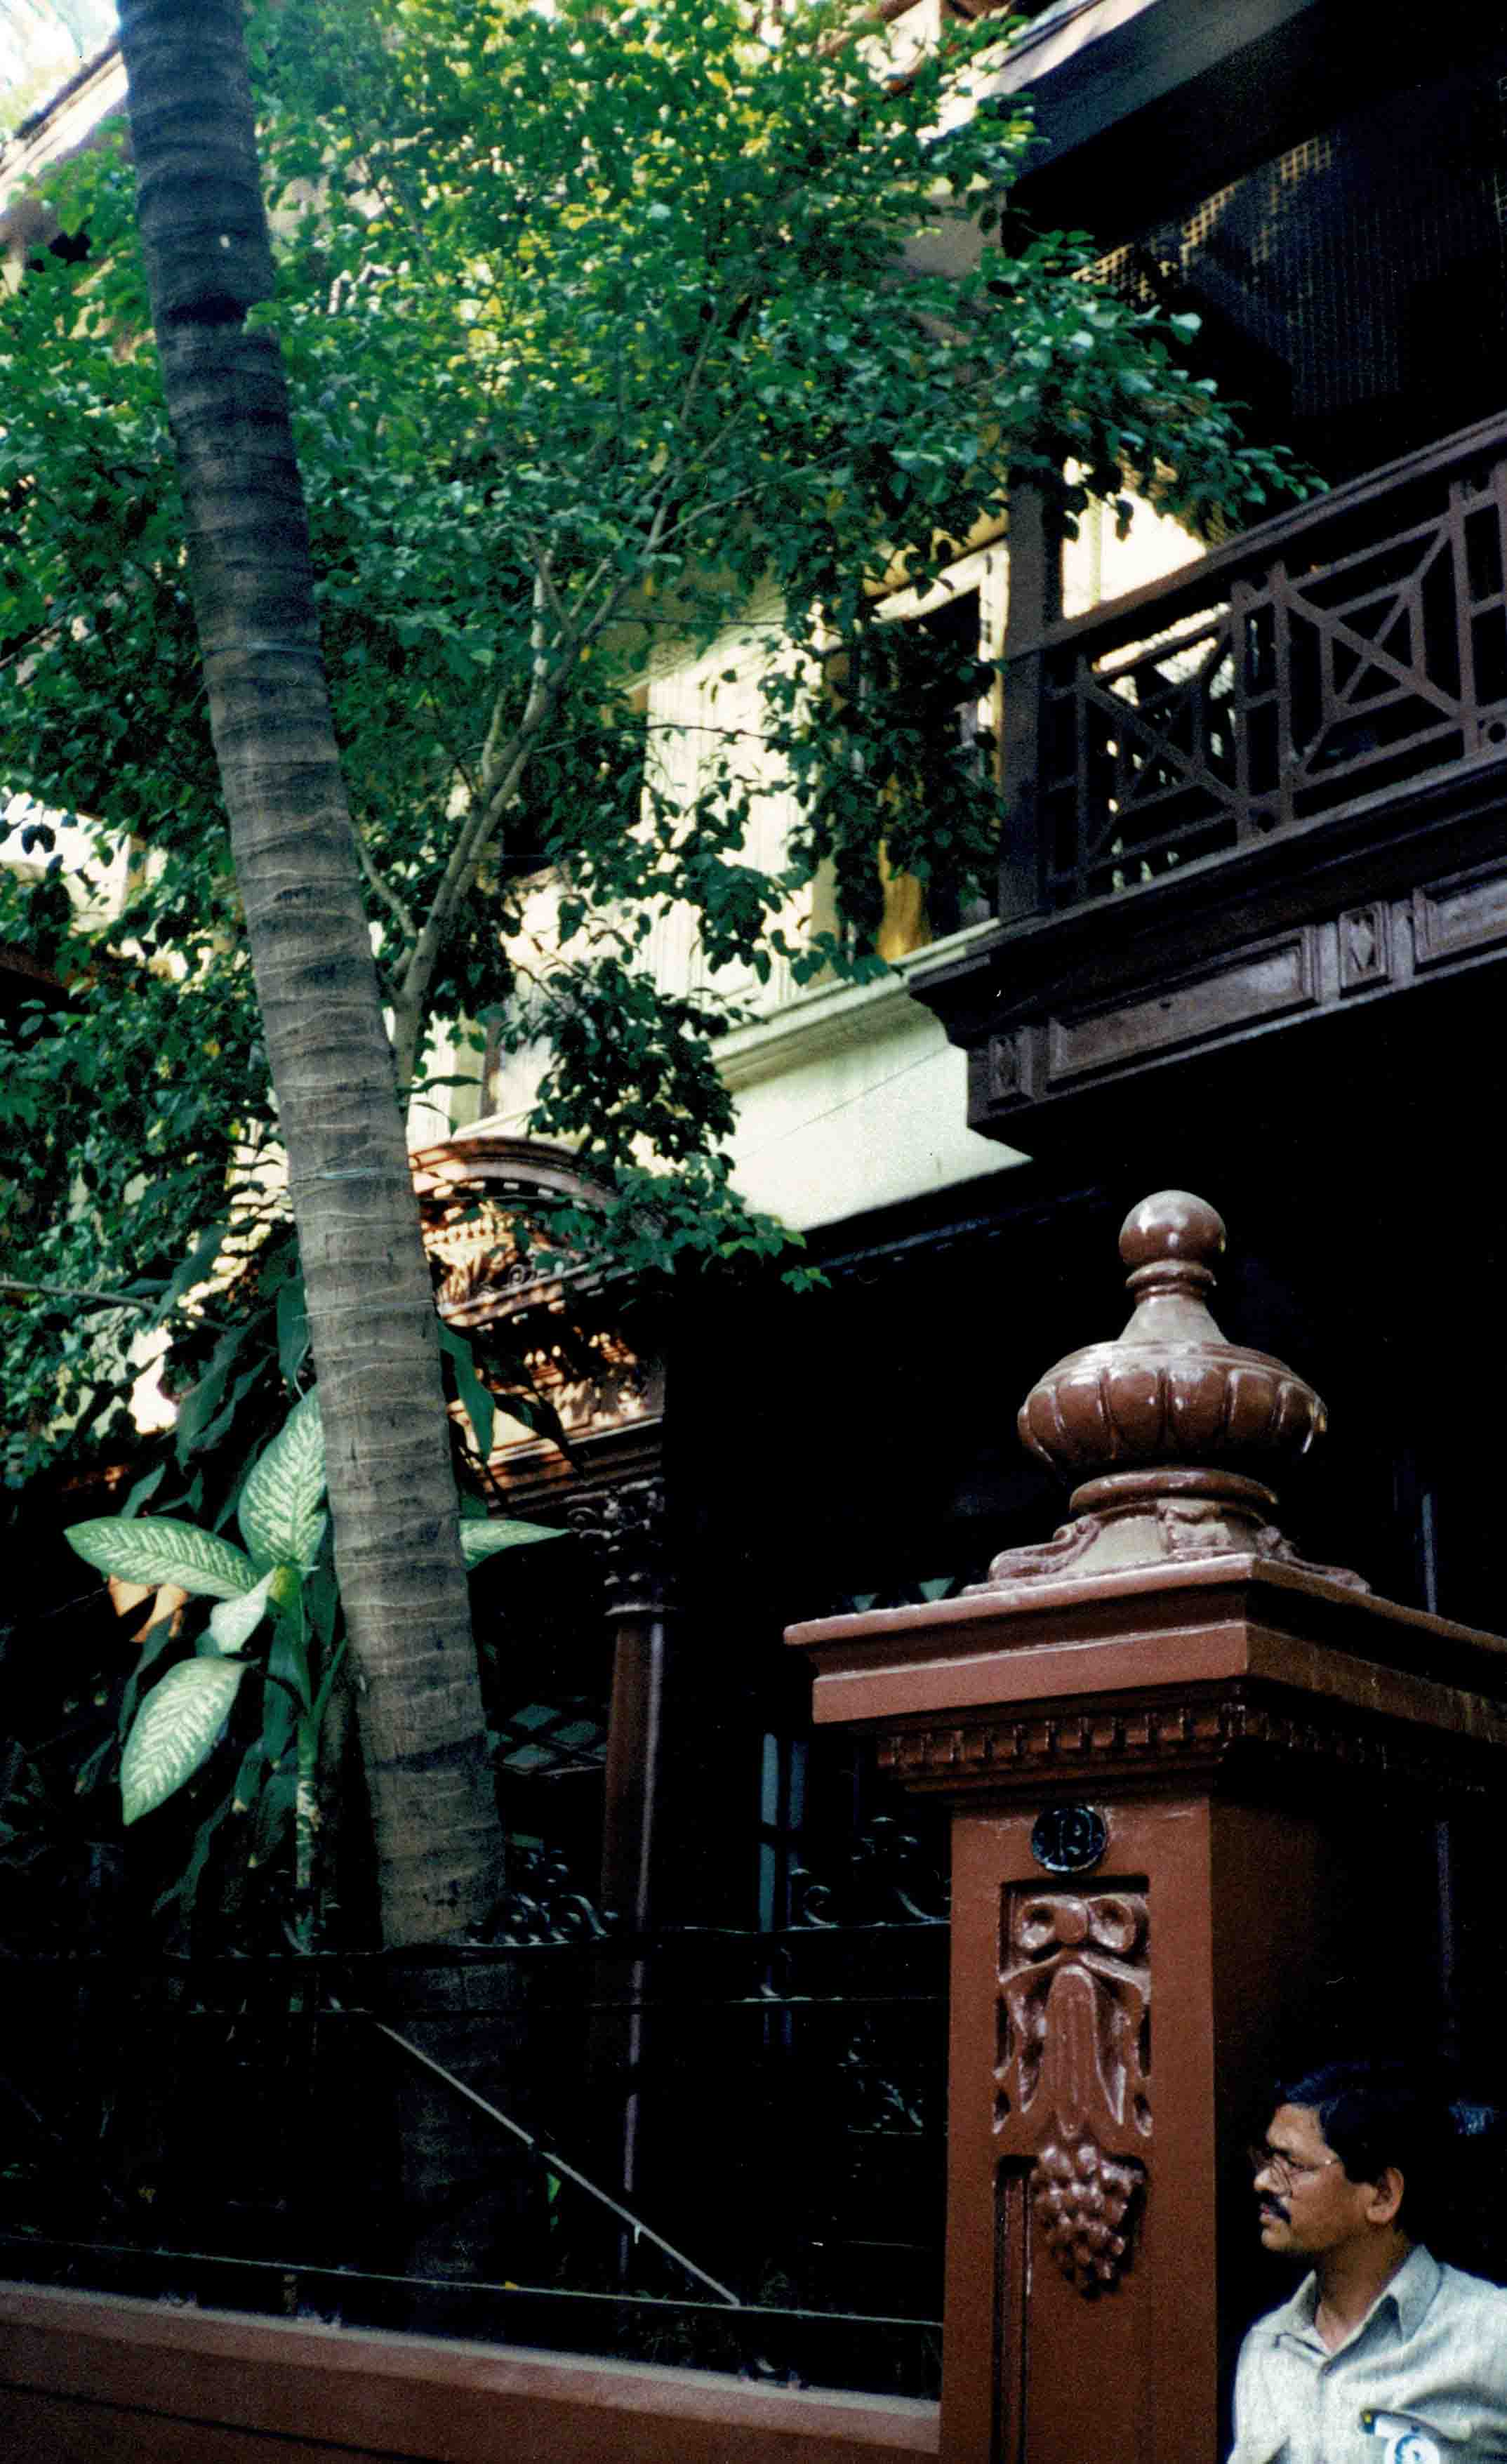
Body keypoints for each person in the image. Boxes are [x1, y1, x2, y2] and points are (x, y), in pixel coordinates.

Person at [1230, 2059, 1507, 2464]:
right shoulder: (1268, 2347)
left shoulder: (1492, 2333)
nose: (1263, 2182)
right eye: (1268, 2159)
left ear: (1382, 2194)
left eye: (1291, 2164)